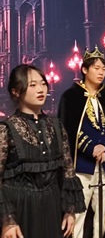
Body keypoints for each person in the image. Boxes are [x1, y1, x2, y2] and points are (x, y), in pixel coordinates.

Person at [0, 64, 85, 238]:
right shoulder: (6, 129)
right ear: (16, 91)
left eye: (43, 83)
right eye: (32, 85)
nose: (41, 89)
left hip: (52, 208)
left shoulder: (56, 126)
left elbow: (67, 172)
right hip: (20, 210)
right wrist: (8, 220)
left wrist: (69, 211)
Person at [58, 46, 105, 238]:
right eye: (96, 68)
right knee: (78, 215)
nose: (101, 72)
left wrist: (104, 145)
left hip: (104, 166)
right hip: (81, 167)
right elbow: (68, 131)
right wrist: (91, 147)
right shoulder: (71, 97)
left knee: (102, 215)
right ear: (85, 69)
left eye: (104, 69)